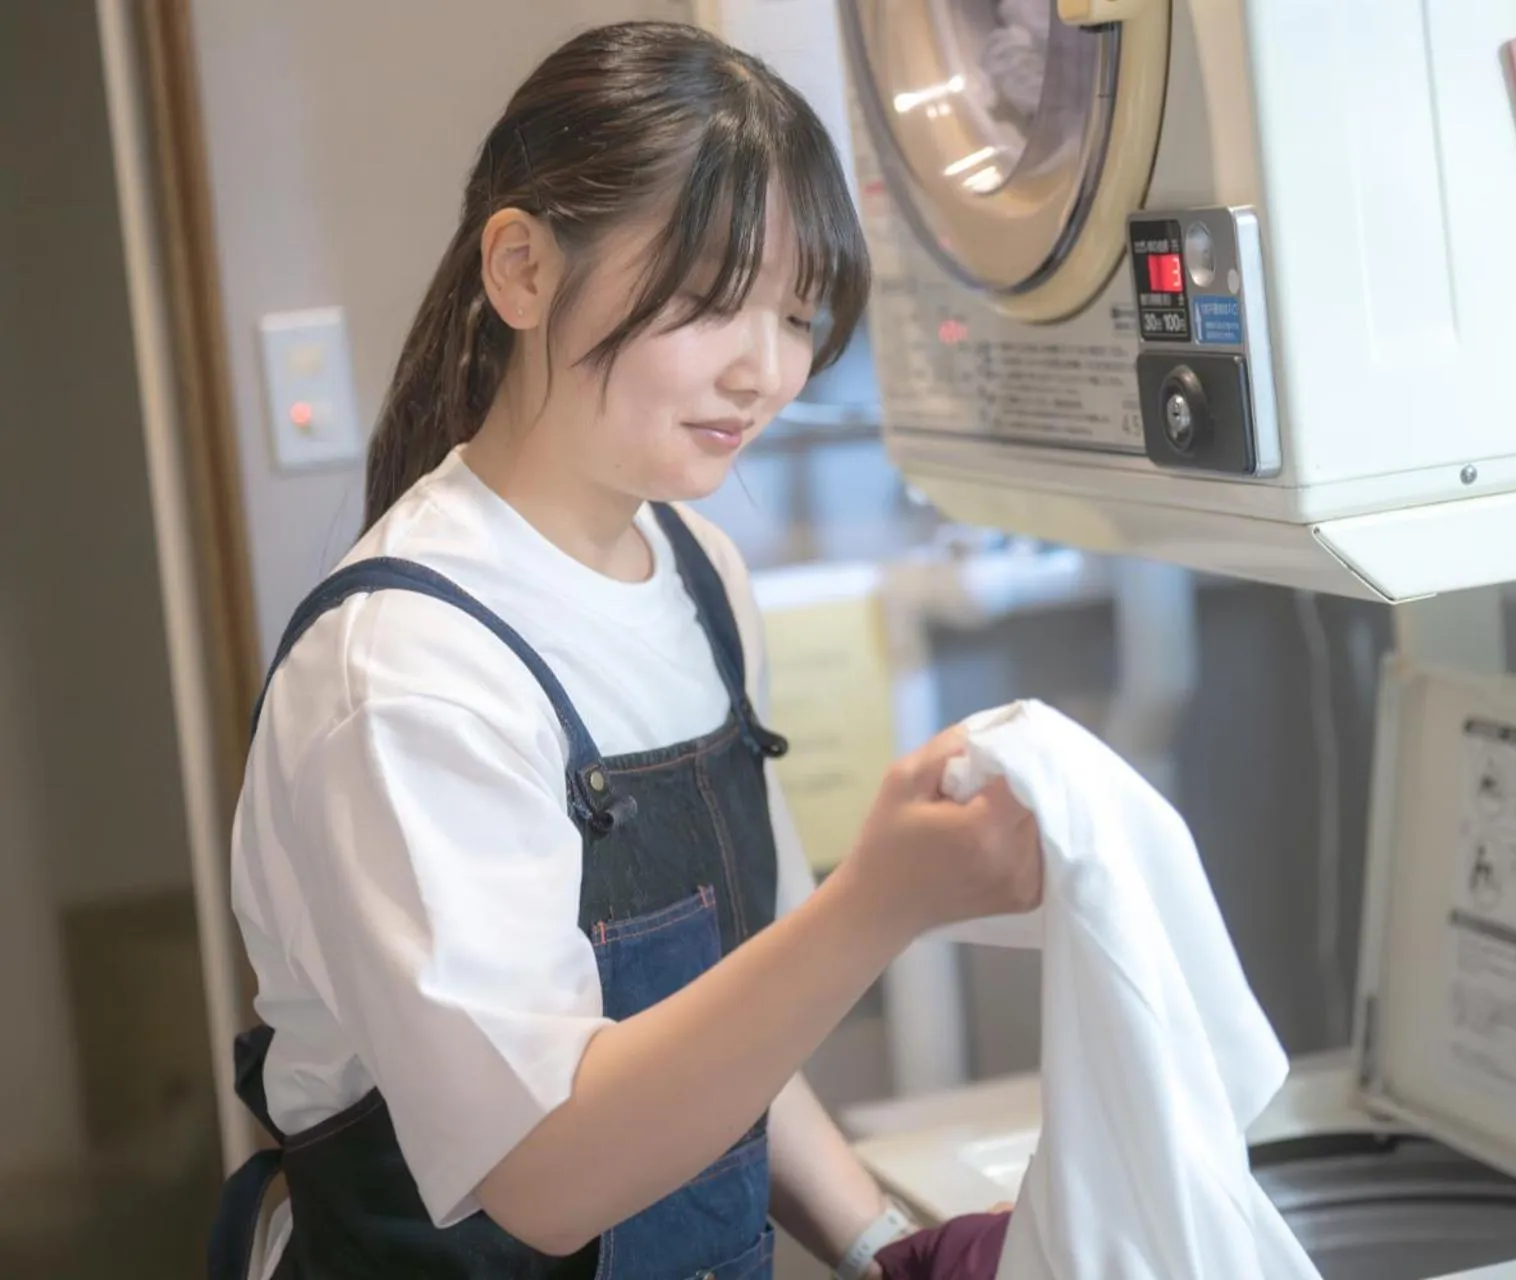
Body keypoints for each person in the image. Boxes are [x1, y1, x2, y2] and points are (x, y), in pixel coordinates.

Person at [208, 21, 1041, 1280]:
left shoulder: (704, 575)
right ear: (524, 270)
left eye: (799, 314)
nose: (765, 371)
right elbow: (539, 1177)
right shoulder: (403, 673)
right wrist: (879, 906)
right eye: (709, 304)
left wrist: (879, 1244)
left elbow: (731, 1029)